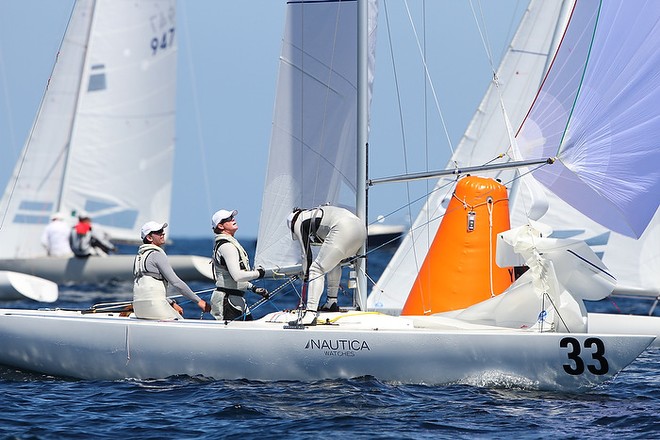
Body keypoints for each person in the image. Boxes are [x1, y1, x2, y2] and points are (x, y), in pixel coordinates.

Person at [287, 205, 366, 323]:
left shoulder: (297, 220)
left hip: (342, 227)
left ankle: (310, 314)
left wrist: (306, 274)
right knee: (335, 262)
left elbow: (305, 254)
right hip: (361, 229)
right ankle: (331, 303)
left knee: (316, 269)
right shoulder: (315, 213)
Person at [133, 221, 210, 320]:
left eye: (162, 231)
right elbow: (176, 282)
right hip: (154, 307)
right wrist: (199, 301)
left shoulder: (138, 257)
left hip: (139, 309)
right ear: (149, 238)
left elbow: (148, 290)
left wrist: (171, 303)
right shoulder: (157, 255)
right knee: (181, 323)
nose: (163, 233)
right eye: (159, 232)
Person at [210, 209, 269, 321]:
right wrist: (260, 273)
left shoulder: (228, 243)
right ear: (221, 226)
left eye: (232, 217)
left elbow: (232, 279)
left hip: (236, 300)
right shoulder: (227, 246)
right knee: (230, 338)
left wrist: (254, 288)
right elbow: (237, 276)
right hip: (227, 302)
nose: (233, 219)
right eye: (228, 219)